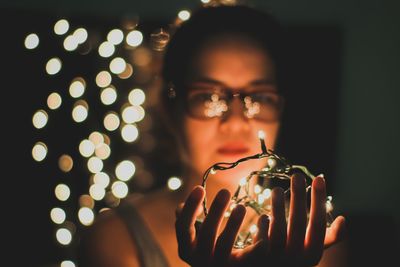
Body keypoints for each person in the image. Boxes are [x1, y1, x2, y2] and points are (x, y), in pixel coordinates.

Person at [78, 4, 347, 267]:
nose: (235, 122)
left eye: (259, 97)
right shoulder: (115, 239)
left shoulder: (314, 240)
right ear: (170, 110)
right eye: (208, 97)